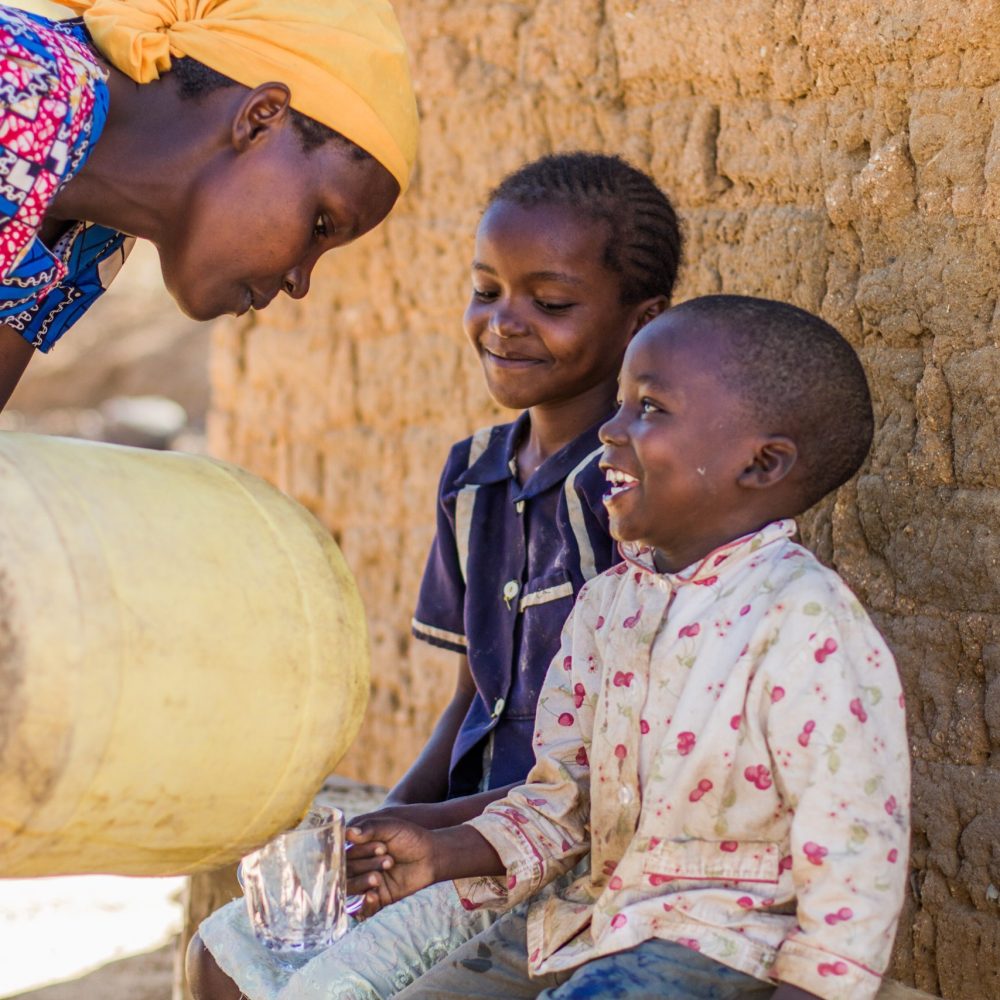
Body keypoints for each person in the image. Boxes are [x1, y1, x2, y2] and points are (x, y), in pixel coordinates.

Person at [186, 152, 683, 1000]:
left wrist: (417, 829)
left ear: (644, 321)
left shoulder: (633, 494)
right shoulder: (474, 475)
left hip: (559, 853)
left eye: (551, 303)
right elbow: (470, 700)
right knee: (223, 950)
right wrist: (380, 823)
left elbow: (608, 777)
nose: (505, 323)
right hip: (450, 835)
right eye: (487, 291)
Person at [343, 295, 911, 1000]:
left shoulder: (802, 623)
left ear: (762, 464)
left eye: (650, 408)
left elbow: (857, 849)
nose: (611, 430)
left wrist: (814, 988)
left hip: (715, 940)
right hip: (592, 921)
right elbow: (563, 797)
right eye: (619, 404)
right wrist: (441, 852)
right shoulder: (610, 605)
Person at [0, 0, 418, 410]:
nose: (300, 282)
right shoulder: (20, 84)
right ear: (259, 119)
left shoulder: (93, 237)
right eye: (321, 226)